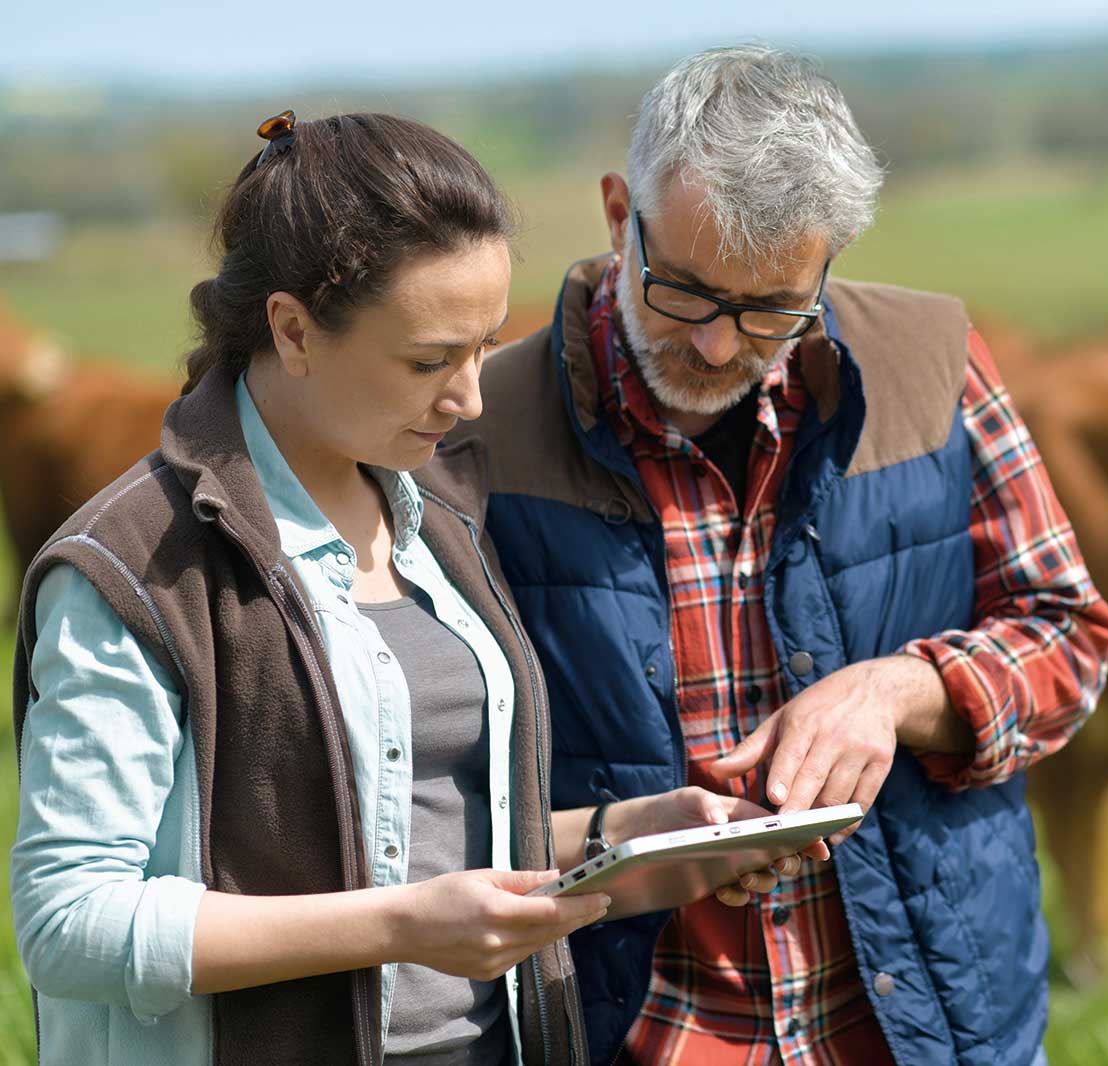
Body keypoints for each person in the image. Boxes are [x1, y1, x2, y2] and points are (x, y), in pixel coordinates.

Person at [9, 110, 795, 1066]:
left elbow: (412, 842)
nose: (468, 397)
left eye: (483, 349)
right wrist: (397, 928)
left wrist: (625, 842)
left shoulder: (441, 513)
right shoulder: (134, 565)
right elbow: (70, 923)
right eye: (429, 361)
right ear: (292, 329)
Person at [460, 46, 1108, 1066]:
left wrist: (902, 691)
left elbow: (1067, 637)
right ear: (613, 213)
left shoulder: (930, 362)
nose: (720, 347)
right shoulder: (477, 432)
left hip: (929, 1027)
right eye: (683, 293)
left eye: (769, 309)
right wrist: (625, 842)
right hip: (630, 1036)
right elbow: (408, 779)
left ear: (829, 261)